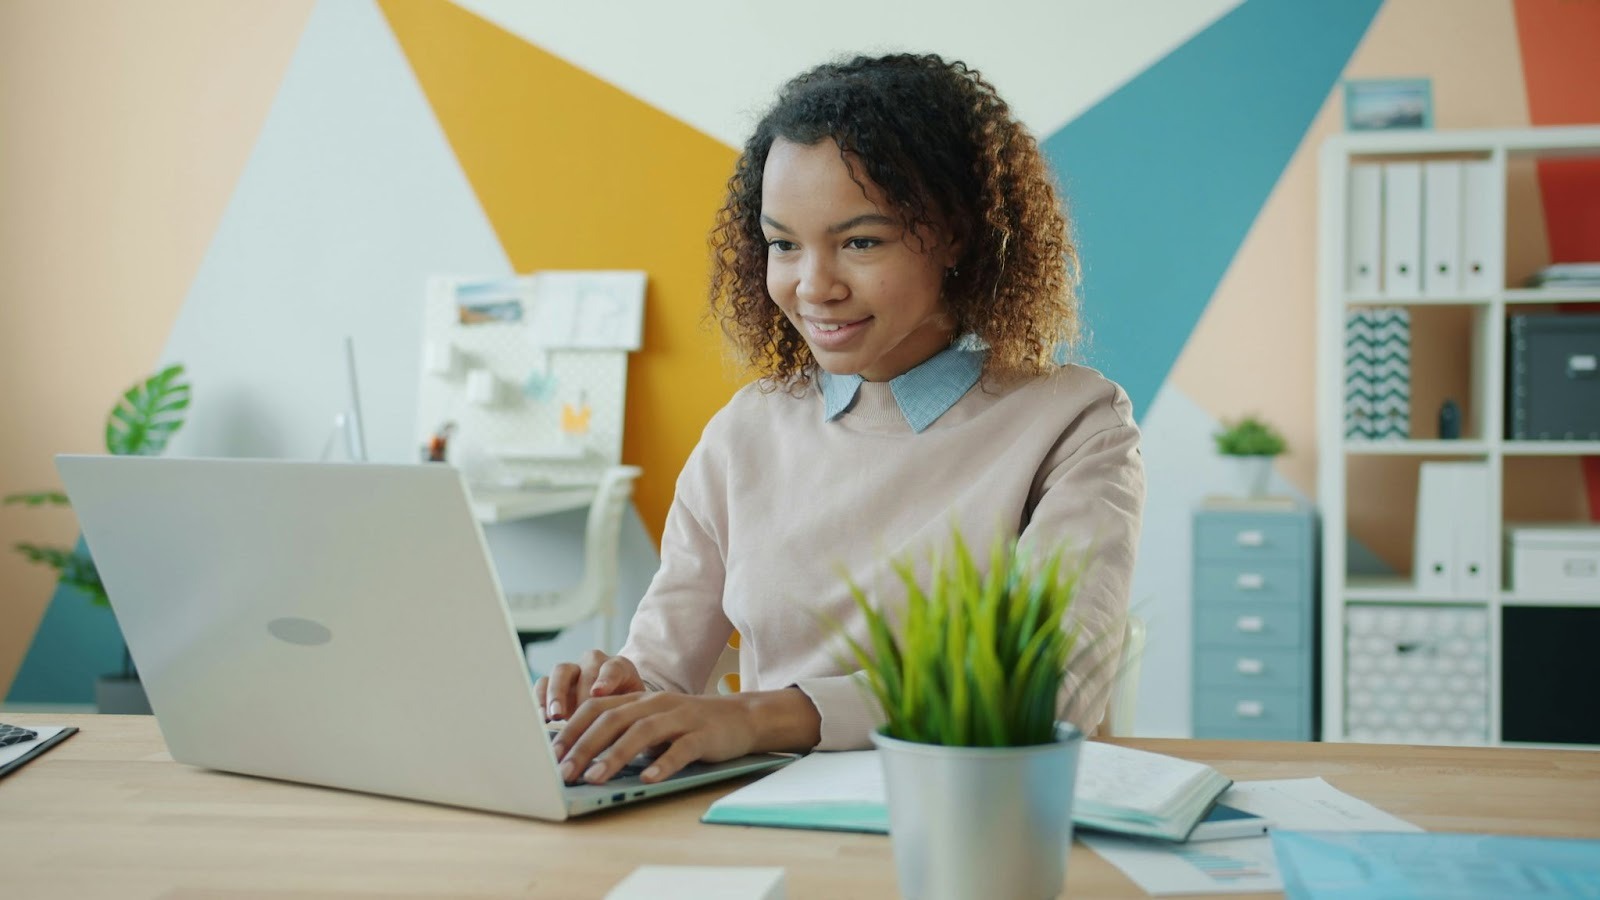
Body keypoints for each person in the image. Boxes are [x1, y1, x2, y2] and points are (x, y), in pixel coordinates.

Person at [535, 52, 1145, 787]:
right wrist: (615, 699)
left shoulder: (1075, 424)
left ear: (956, 234)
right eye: (783, 244)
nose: (812, 285)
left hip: (977, 821)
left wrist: (761, 717)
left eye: (860, 241)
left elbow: (1046, 691)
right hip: (763, 822)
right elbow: (663, 668)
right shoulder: (746, 432)